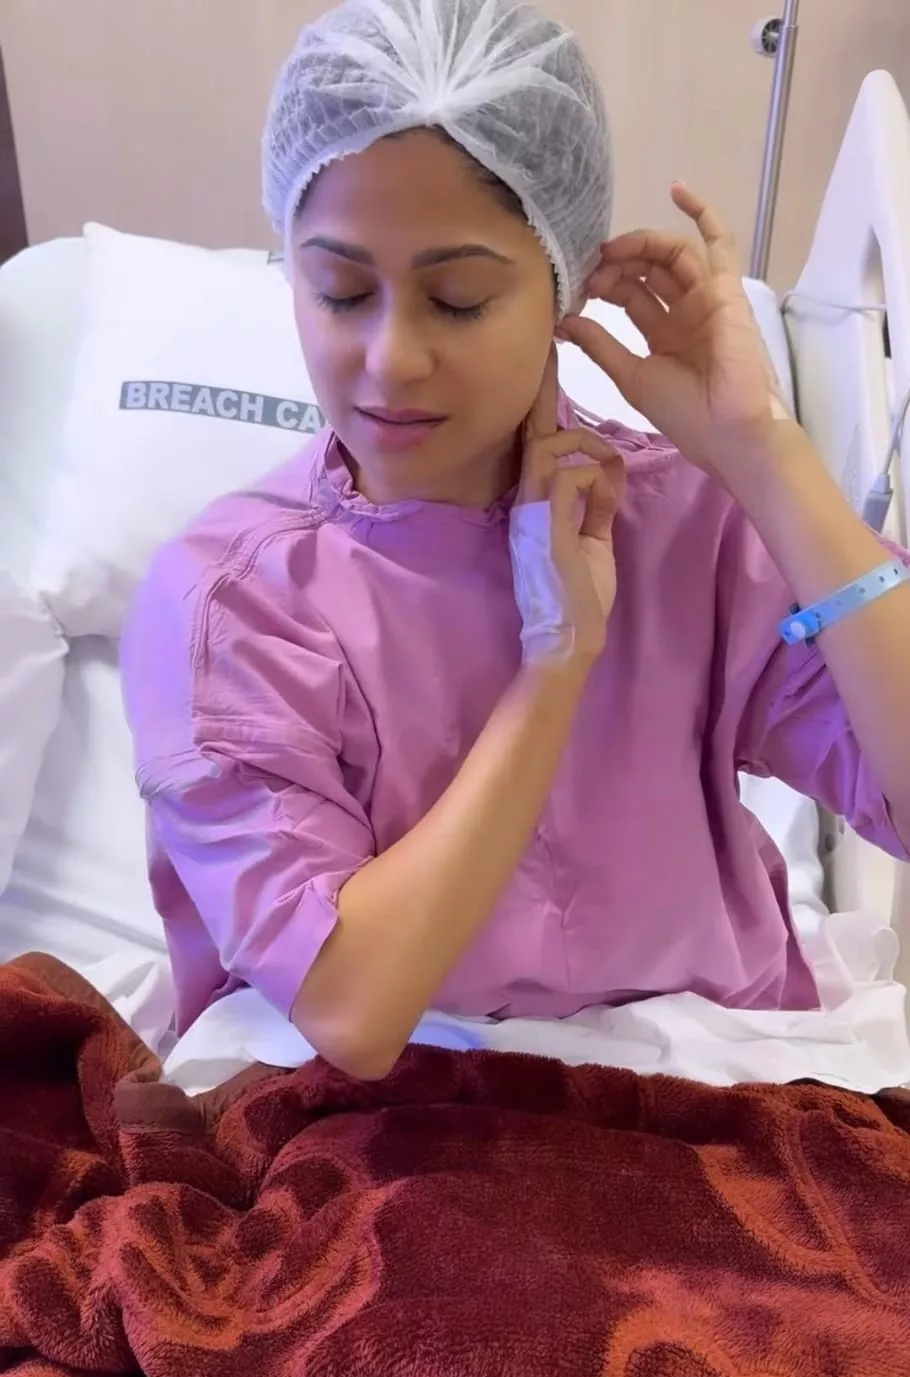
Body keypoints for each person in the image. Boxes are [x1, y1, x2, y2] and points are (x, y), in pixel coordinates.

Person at [122, 0, 910, 1083]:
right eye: (341, 292)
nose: (391, 359)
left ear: (563, 286)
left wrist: (766, 456)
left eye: (456, 300)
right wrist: (555, 663)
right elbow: (352, 1006)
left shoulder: (688, 522)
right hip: (389, 1119)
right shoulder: (231, 603)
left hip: (714, 1091)